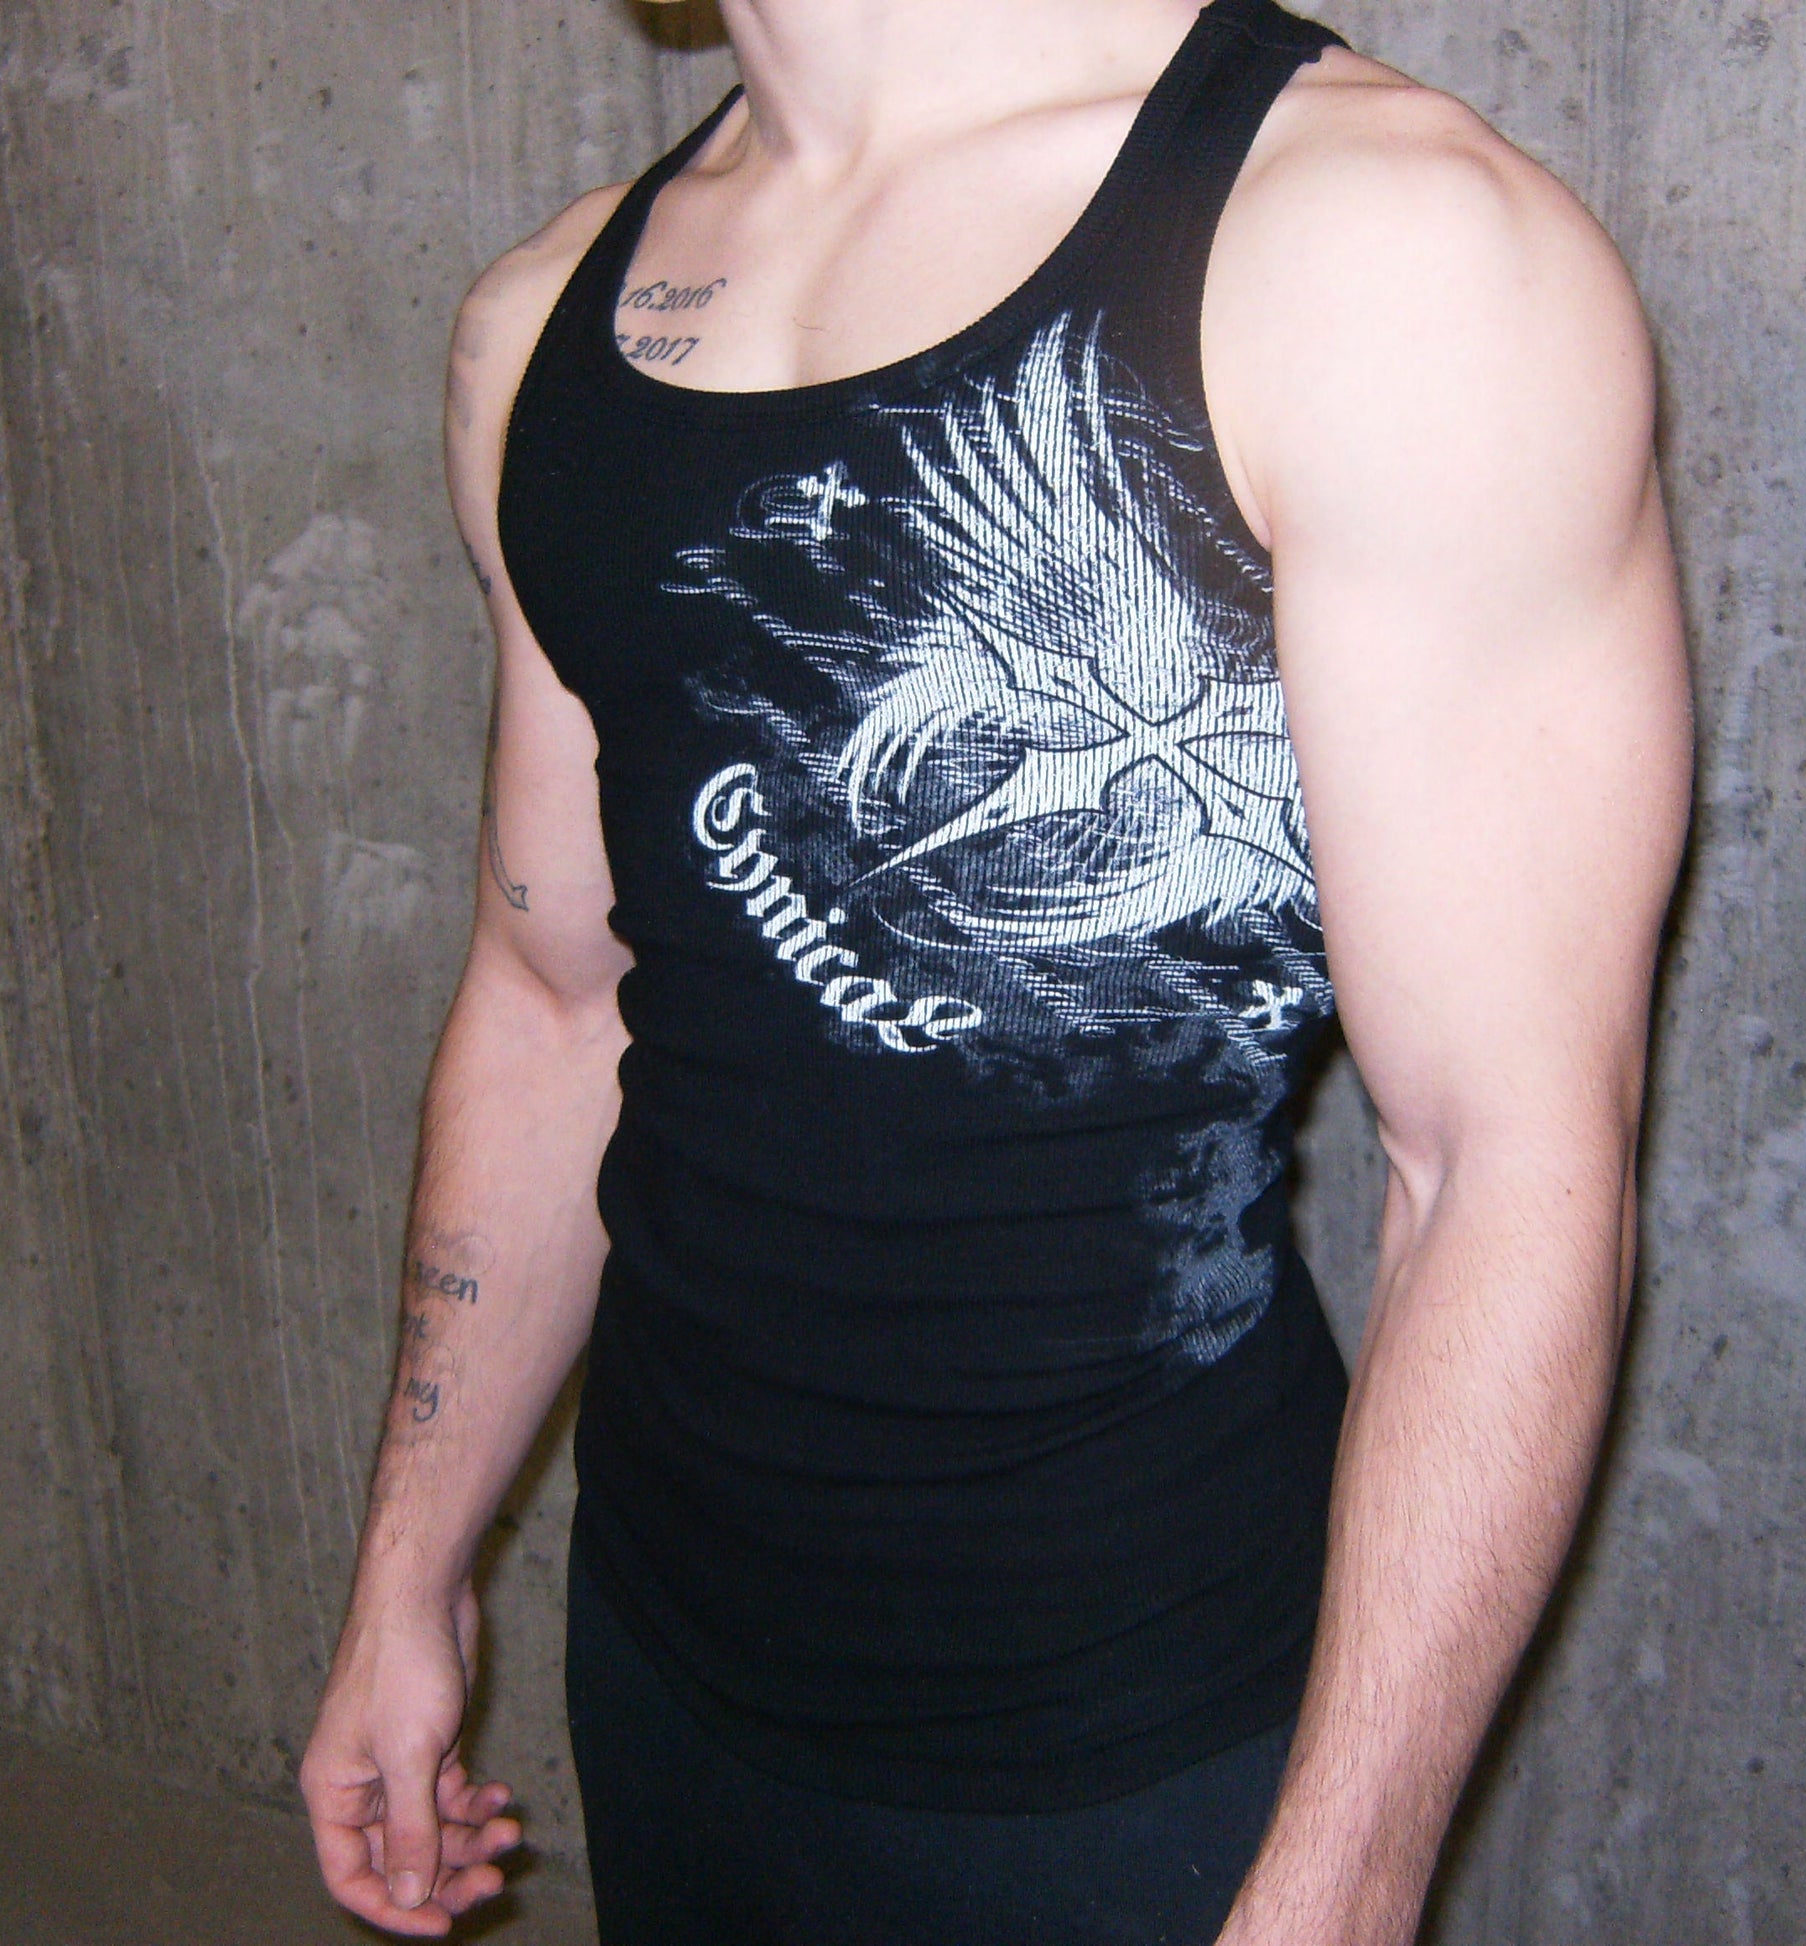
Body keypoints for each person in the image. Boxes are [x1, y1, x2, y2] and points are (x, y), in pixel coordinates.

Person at [300, 0, 1691, 1939]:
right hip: (664, 1651)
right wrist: (412, 1567)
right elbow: (554, 999)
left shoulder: (1380, 255)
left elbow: (1502, 1159)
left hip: (1136, 1737)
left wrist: (1344, 1883)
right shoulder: (546, 326)